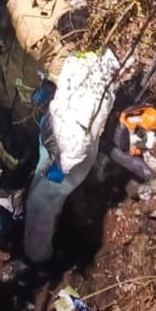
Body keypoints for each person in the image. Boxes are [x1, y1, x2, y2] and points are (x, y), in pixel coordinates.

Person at [23, 48, 119, 262]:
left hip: (66, 156)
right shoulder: (83, 58)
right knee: (38, 186)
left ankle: (37, 257)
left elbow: (77, 143)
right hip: (56, 140)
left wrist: (60, 167)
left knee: (41, 207)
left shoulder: (94, 86)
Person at [0, 0, 73, 189]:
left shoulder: (63, 10)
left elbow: (64, 51)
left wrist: (52, 83)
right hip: (8, 71)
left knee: (22, 135)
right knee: (0, 118)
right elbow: (5, 24)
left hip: (31, 86)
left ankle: (14, 178)